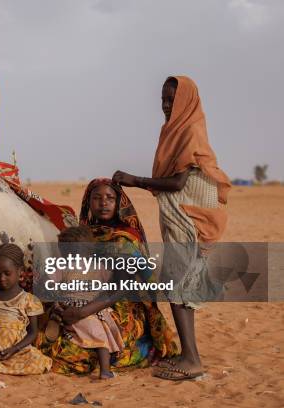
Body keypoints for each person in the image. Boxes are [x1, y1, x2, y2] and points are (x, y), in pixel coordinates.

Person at [112, 76, 231, 380]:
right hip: (183, 220)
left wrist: (134, 180)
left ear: (186, 102)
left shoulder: (189, 131)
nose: (166, 107)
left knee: (178, 286)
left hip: (189, 222)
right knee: (180, 286)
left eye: (171, 101)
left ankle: (192, 360)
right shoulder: (174, 131)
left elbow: (178, 182)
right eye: (163, 101)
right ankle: (188, 354)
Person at [37, 179, 178, 375]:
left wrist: (81, 312)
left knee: (83, 352)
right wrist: (58, 304)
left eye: (110, 198)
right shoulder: (81, 234)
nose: (104, 203)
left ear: (119, 203)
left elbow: (121, 287)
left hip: (115, 304)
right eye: (97, 198)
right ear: (88, 202)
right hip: (78, 297)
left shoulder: (124, 239)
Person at [50, 225, 125, 379]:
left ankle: (104, 370)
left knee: (99, 332)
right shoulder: (63, 266)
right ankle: (105, 370)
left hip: (89, 309)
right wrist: (56, 304)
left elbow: (114, 285)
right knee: (100, 336)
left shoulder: (97, 267)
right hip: (79, 308)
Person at [0, 243, 52, 375]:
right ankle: (3, 368)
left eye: (7, 273)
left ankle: (2, 368)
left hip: (18, 350)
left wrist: (14, 349)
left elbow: (32, 333)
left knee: (37, 361)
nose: (2, 278)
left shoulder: (29, 300)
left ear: (20, 271)